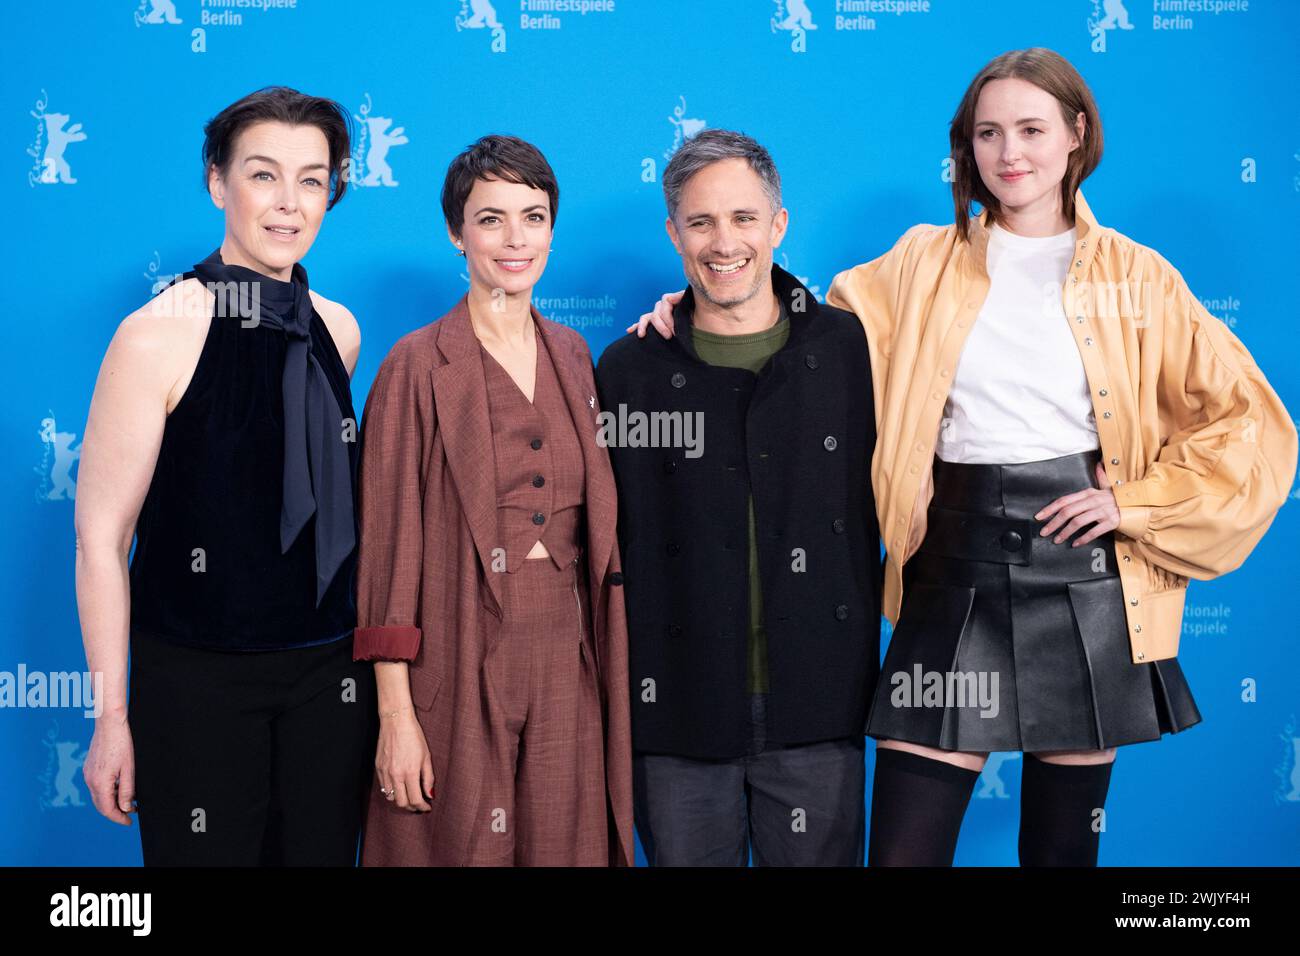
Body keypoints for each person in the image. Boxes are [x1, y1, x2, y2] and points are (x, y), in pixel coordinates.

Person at [631, 49, 1297, 866]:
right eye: (988, 133)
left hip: (1083, 575)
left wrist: (1138, 503)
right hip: (951, 564)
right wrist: (698, 302)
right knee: (904, 853)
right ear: (967, 147)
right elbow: (804, 325)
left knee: (1061, 854)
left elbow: (1251, 420)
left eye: (1031, 129)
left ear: (1076, 134)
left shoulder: (1140, 278)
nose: (1009, 153)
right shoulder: (921, 260)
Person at [75, 86, 375, 865]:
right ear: (218, 182)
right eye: (263, 175)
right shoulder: (155, 336)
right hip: (197, 682)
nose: (289, 203)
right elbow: (101, 539)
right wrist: (111, 718)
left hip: (330, 679)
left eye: (312, 180)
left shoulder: (338, 330)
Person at [352, 134, 634, 866]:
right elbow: (387, 552)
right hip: (455, 656)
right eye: (491, 219)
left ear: (552, 231)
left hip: (568, 657)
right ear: (457, 232)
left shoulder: (575, 355)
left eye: (533, 218)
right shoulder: (415, 365)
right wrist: (395, 717)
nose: (516, 239)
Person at [601, 129, 879, 866]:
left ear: (779, 224)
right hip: (677, 714)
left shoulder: (850, 351)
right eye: (701, 222)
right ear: (674, 234)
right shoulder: (629, 370)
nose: (724, 243)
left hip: (820, 707)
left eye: (744, 218)